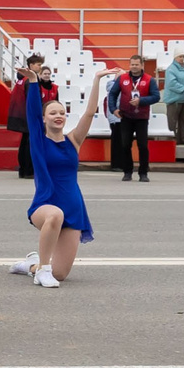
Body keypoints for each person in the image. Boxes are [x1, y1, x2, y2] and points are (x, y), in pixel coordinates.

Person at [13, 74, 108, 287]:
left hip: (73, 209)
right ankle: (42, 270)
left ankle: (32, 265)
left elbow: (90, 113)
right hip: (46, 205)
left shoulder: (73, 140)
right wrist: (35, 82)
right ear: (44, 118)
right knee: (55, 215)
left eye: (62, 113)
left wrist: (97, 79)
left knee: (61, 274)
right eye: (52, 112)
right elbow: (32, 113)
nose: (58, 116)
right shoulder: (38, 140)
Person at [105, 54, 159, 182]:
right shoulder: (122, 78)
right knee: (125, 145)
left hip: (142, 117)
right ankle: (127, 172)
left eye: (137, 64)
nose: (134, 67)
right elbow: (112, 94)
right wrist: (113, 109)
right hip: (126, 116)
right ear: (129, 65)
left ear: (142, 65)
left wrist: (141, 101)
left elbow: (156, 96)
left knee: (143, 145)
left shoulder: (149, 79)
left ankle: (143, 173)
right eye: (132, 64)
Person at [9, 58, 58, 181]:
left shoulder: (21, 80)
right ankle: (29, 170)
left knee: (24, 144)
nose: (40, 67)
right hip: (28, 116)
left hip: (20, 115)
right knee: (31, 145)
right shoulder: (30, 81)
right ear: (31, 65)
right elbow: (34, 100)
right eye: (38, 64)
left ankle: (23, 170)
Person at [162, 48, 184, 165]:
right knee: (173, 120)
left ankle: (183, 137)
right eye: (180, 56)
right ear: (175, 57)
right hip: (175, 99)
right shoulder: (171, 69)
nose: (182, 59)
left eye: (183, 56)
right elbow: (172, 83)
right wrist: (183, 89)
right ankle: (173, 138)